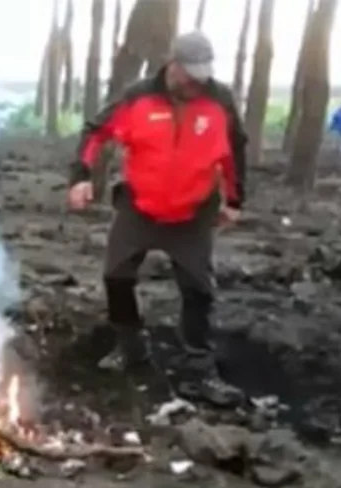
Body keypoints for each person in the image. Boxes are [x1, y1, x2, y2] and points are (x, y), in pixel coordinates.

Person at [66, 31, 245, 406]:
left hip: (192, 212)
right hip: (139, 207)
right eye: (189, 74)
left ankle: (198, 367)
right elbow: (95, 132)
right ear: (172, 64)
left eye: (203, 74)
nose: (196, 82)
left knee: (198, 290)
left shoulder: (219, 100)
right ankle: (131, 348)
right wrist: (81, 177)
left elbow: (234, 150)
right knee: (116, 276)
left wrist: (234, 199)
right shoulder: (137, 98)